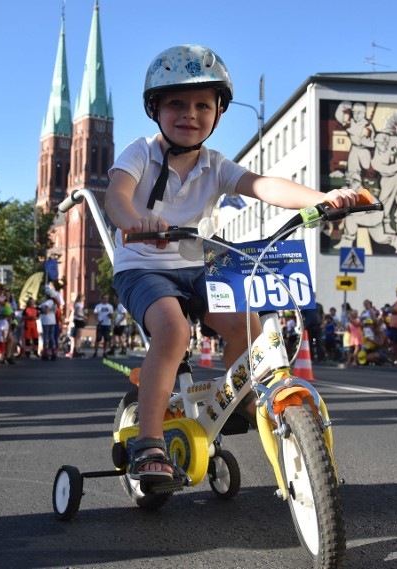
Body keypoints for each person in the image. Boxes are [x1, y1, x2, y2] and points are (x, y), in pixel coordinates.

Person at [104, 45, 357, 483]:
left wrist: (322, 199)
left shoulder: (214, 165)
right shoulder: (140, 152)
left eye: (204, 104)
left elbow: (263, 184)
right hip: (143, 264)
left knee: (250, 325)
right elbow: (116, 197)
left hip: (197, 262)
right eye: (177, 103)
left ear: (219, 113)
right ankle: (147, 442)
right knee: (173, 330)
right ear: (156, 110)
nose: (190, 114)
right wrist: (133, 220)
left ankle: (236, 398)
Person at [93, 293, 113, 358]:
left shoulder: (110, 306)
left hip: (107, 325)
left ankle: (105, 352)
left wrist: (110, 316)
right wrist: (99, 321)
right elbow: (95, 315)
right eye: (104, 298)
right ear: (102, 299)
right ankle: (95, 352)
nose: (106, 299)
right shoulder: (98, 306)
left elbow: (111, 316)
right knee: (98, 338)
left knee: (106, 339)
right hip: (100, 325)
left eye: (107, 298)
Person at [66, 293, 86, 358]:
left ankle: (77, 349)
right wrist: (83, 316)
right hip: (79, 320)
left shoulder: (78, 304)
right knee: (78, 336)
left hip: (79, 320)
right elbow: (77, 313)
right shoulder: (78, 304)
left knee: (78, 336)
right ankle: (77, 349)